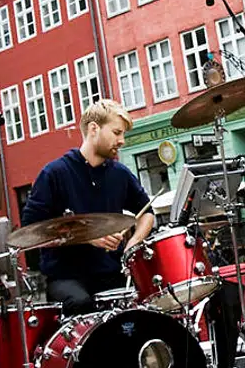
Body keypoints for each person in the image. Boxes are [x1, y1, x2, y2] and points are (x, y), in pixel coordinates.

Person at [20, 99, 155, 314]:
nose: (122, 141)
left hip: (112, 273)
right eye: (117, 132)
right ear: (94, 129)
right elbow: (31, 229)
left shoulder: (120, 174)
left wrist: (133, 245)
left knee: (146, 302)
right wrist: (88, 236)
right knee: (81, 302)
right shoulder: (54, 174)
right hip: (67, 278)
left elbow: (147, 212)